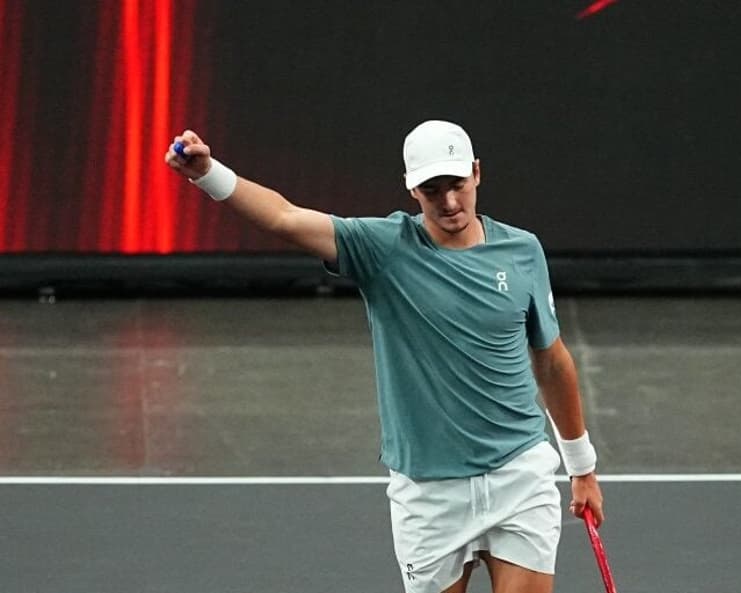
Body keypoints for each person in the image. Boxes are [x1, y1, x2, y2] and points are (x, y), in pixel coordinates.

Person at [165, 120, 604, 593]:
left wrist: (581, 466)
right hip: (430, 493)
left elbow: (551, 361)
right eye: (432, 190)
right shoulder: (382, 248)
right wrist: (207, 173)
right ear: (411, 188)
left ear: (477, 173)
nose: (449, 202)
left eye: (457, 185)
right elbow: (284, 218)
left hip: (519, 476)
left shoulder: (521, 251)